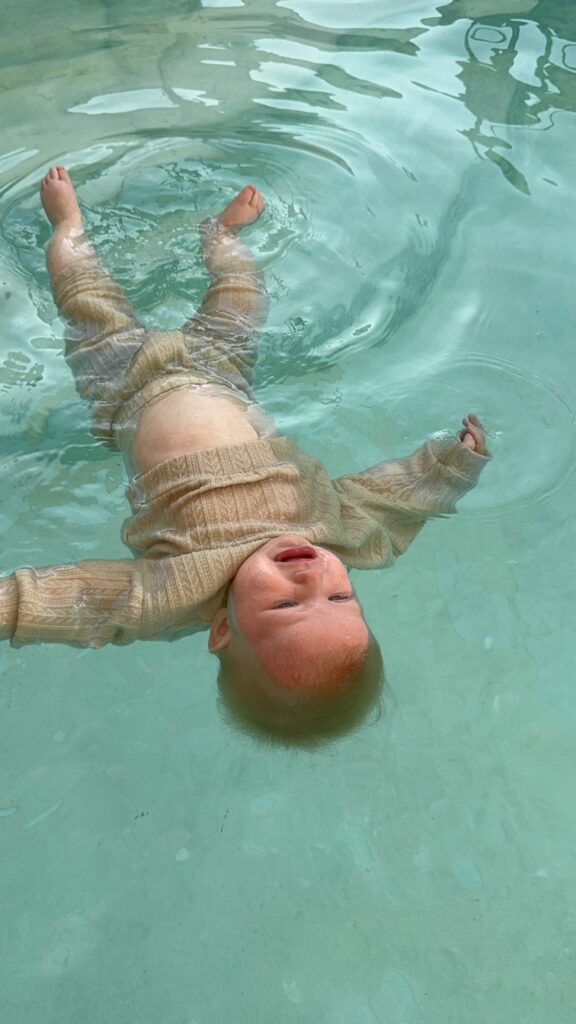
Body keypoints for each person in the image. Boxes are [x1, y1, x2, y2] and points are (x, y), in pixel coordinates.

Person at [0, 167, 490, 740]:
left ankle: (69, 223)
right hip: (224, 375)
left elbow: (68, 602)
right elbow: (397, 506)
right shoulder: (339, 536)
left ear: (223, 634)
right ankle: (221, 237)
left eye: (286, 608)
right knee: (243, 291)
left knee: (83, 291)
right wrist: (454, 465)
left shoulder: (170, 595)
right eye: (340, 595)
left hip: (124, 386)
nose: (311, 576)